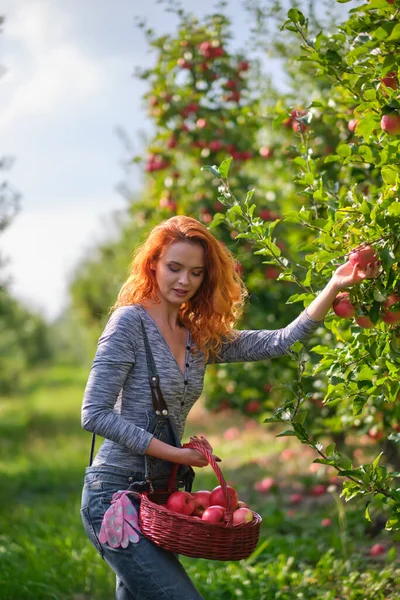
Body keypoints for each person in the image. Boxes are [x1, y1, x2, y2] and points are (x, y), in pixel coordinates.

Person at [80, 215, 379, 599]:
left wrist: (334, 285)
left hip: (156, 500)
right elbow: (95, 413)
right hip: (113, 497)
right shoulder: (129, 325)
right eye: (174, 267)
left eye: (196, 272)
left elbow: (280, 342)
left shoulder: (195, 338)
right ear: (152, 263)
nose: (184, 281)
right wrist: (178, 454)